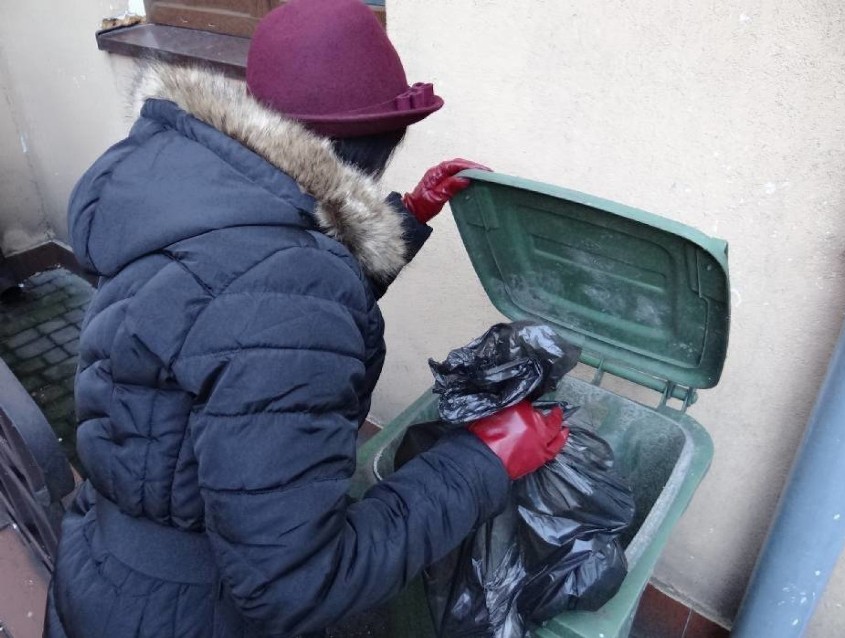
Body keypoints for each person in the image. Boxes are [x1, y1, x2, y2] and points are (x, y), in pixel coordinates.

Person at [44, 0, 568, 636]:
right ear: (365, 157)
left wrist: (401, 220)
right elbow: (297, 585)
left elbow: (239, 305)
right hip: (189, 615)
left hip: (111, 566)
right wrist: (481, 461)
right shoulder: (282, 292)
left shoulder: (193, 185)